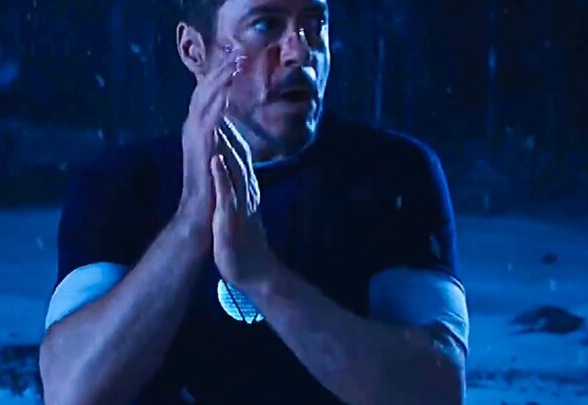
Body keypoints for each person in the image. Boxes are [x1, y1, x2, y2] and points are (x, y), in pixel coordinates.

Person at [39, 0, 469, 403]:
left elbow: (438, 388)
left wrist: (262, 276)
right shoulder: (119, 183)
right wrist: (189, 227)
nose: (300, 52)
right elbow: (71, 389)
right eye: (265, 25)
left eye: (314, 24)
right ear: (193, 50)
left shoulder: (392, 173)